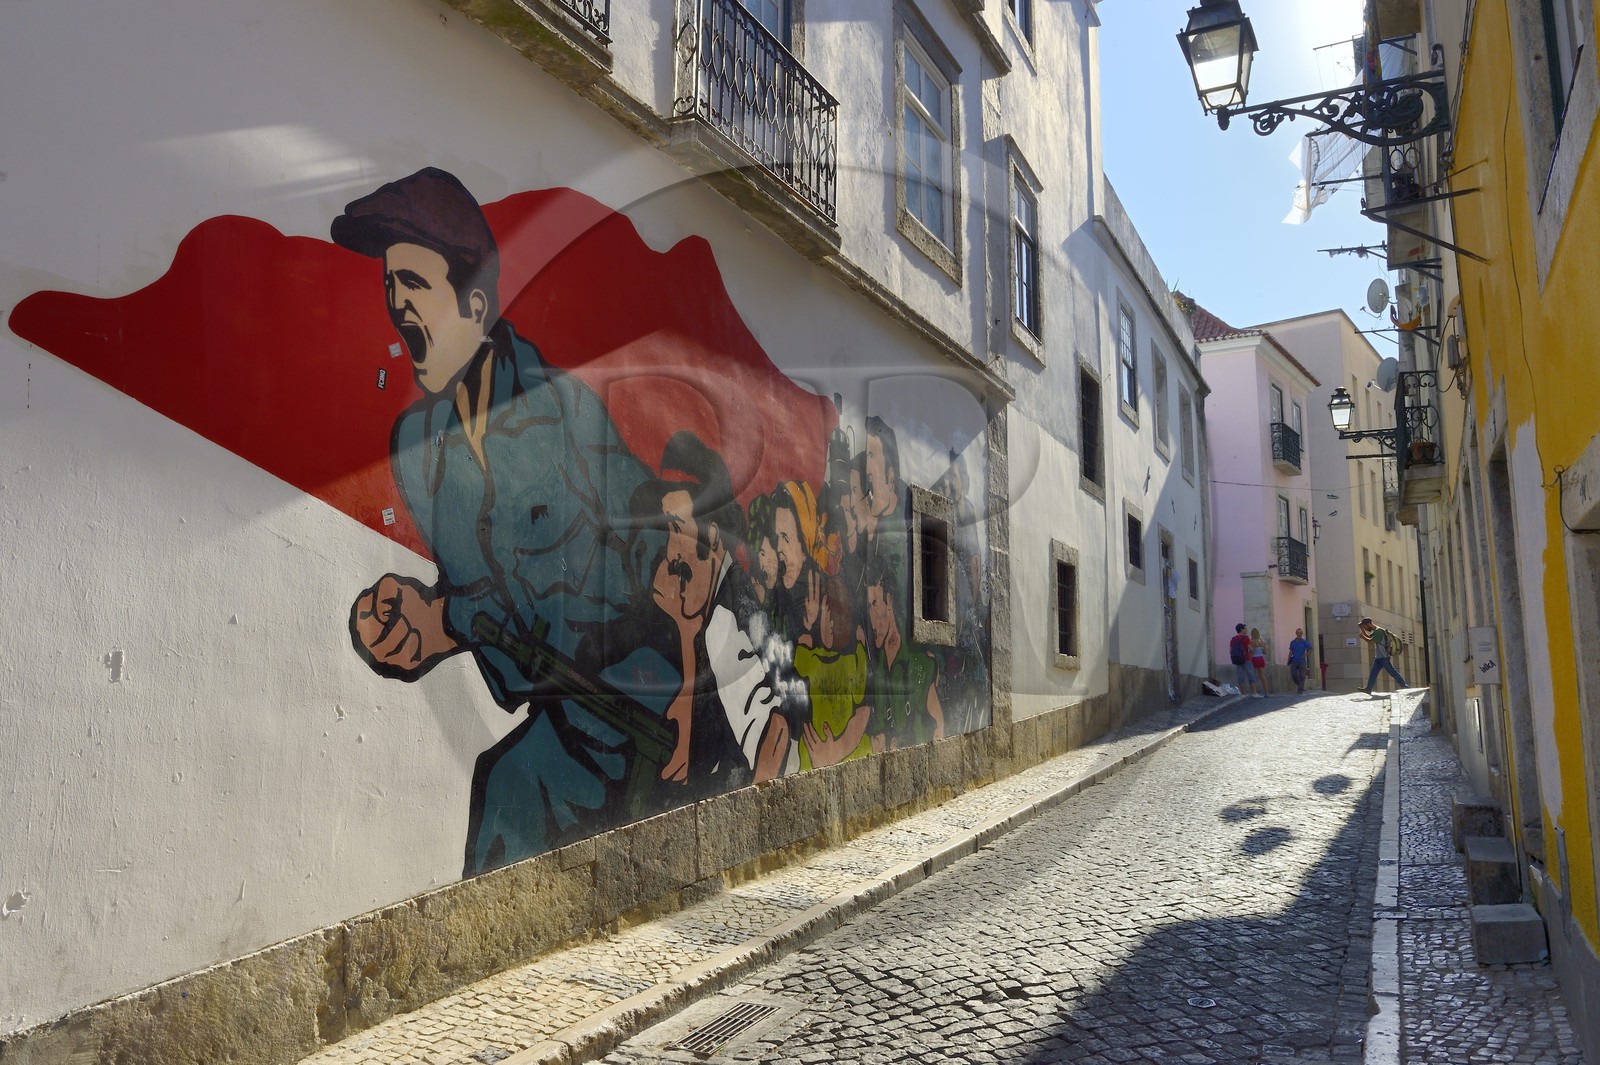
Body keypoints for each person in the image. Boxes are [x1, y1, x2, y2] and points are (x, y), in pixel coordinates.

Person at [333, 167, 675, 874]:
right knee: (506, 798)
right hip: (561, 718)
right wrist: (423, 625)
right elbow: (479, 606)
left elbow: (649, 548)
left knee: (507, 794)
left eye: (415, 284)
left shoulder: (563, 408)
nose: (395, 301)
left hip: (639, 704)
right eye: (390, 284)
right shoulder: (418, 453)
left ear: (477, 304)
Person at [632, 431, 795, 797]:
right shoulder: (714, 611)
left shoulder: (726, 621)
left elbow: (779, 726)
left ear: (714, 537)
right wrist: (685, 628)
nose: (672, 553)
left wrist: (759, 807)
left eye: (677, 530)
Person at [1358, 617, 1408, 694]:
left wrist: (1362, 636)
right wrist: (1362, 630)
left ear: (1368, 624)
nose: (1365, 628)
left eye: (1365, 627)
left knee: (1392, 672)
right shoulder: (1376, 631)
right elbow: (1369, 637)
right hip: (1379, 657)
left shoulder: (1378, 632)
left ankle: (1404, 686)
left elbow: (1370, 641)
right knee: (1373, 674)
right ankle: (1368, 689)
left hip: (1384, 657)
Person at [1228, 623, 1265, 697]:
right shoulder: (1246, 638)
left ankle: (1243, 694)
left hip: (1237, 660)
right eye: (1245, 628)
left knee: (1240, 677)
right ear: (1242, 629)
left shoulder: (1233, 639)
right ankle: (1254, 693)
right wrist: (1253, 651)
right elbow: (1250, 649)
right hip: (1246, 659)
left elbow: (1230, 651)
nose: (1246, 630)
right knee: (1251, 676)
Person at [1287, 628, 1313, 694]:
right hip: (1294, 661)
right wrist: (1288, 659)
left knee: (1302, 676)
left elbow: (1311, 648)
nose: (1300, 634)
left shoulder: (1304, 642)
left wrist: (1306, 655)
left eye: (1301, 633)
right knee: (1293, 675)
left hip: (1302, 661)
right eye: (1298, 633)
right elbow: (1291, 651)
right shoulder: (1292, 642)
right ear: (1296, 633)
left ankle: (1300, 689)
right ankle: (1300, 686)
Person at [1249, 627, 1270, 694]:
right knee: (1263, 676)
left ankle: (1254, 692)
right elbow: (1266, 652)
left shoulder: (1252, 641)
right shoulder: (1262, 641)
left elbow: (1251, 652)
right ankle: (1266, 692)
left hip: (1255, 659)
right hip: (1261, 658)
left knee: (1253, 676)